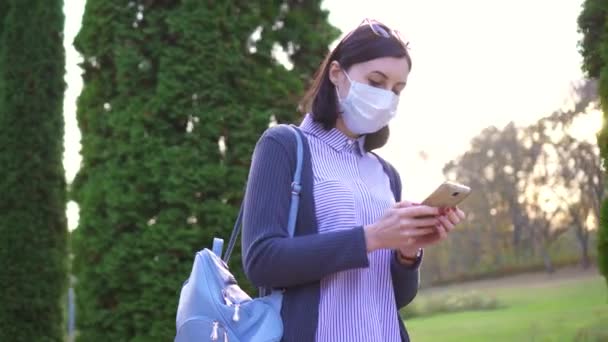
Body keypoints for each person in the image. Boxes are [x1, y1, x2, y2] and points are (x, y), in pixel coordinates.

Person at [241, 19, 466, 342]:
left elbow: (394, 297)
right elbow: (262, 260)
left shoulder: (385, 174)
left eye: (397, 90)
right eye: (376, 81)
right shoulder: (284, 146)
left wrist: (407, 251)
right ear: (337, 74)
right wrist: (371, 237)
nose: (386, 97)